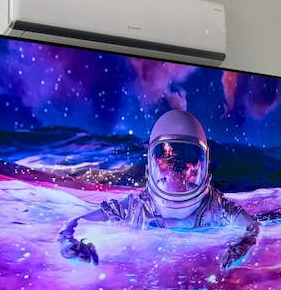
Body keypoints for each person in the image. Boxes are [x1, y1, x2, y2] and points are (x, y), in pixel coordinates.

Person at [58, 109, 259, 270]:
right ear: (150, 169)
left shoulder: (216, 205)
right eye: (167, 163)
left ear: (205, 169)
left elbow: (252, 228)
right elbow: (77, 222)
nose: (177, 173)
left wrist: (243, 244)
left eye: (187, 162)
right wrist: (68, 243)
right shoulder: (136, 206)